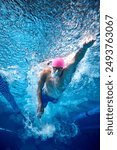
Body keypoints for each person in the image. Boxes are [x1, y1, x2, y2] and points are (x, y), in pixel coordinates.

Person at [37, 37, 95, 117]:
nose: (57, 71)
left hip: (56, 98)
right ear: (52, 67)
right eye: (55, 69)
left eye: (59, 69)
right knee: (39, 112)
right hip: (45, 95)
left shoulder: (66, 73)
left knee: (54, 108)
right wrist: (40, 104)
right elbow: (39, 88)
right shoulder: (45, 72)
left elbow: (76, 60)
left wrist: (84, 48)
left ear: (63, 68)